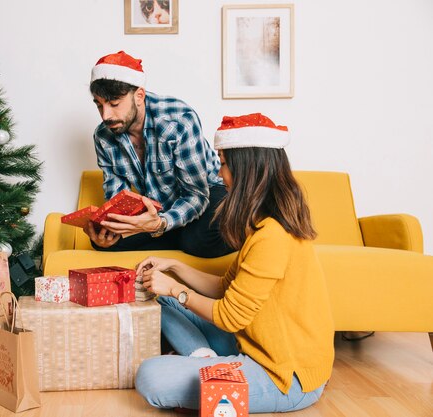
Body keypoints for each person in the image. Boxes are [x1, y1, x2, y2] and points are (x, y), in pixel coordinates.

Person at [134, 113, 335, 413]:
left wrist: (177, 289)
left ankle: (209, 367)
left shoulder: (273, 236)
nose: (219, 172)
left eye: (224, 163)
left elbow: (229, 317)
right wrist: (173, 267)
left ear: (246, 170)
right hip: (253, 346)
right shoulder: (263, 225)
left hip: (285, 377)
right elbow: (223, 287)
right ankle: (206, 362)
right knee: (158, 299)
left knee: (151, 377)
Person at [87, 51, 232, 258]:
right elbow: (117, 198)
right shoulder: (103, 136)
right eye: (99, 105)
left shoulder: (178, 120)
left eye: (114, 104)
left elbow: (196, 195)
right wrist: (111, 228)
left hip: (208, 193)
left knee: (196, 241)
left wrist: (160, 223)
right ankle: (174, 234)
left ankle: (179, 234)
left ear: (139, 96)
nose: (106, 115)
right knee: (104, 243)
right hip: (160, 208)